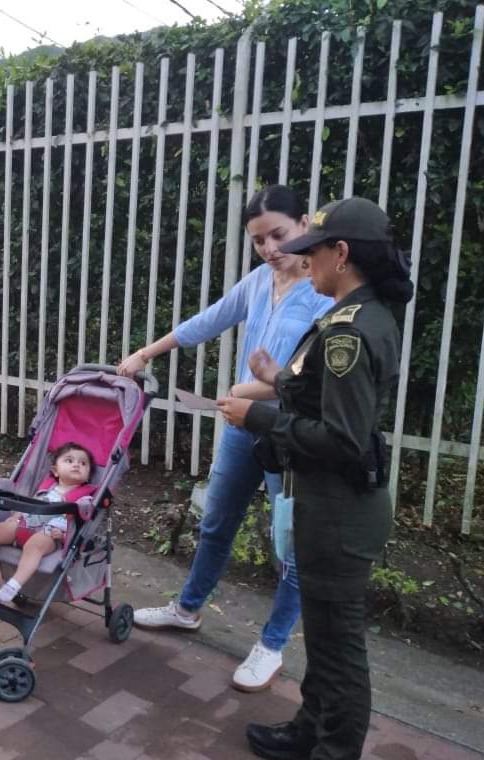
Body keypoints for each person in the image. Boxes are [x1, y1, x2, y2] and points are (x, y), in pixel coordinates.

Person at [217, 197, 412, 760]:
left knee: (339, 648)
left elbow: (343, 439)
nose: (303, 262)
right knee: (325, 641)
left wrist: (258, 417)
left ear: (341, 254)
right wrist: (277, 379)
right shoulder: (348, 316)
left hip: (339, 512)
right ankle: (309, 732)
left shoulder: (352, 330)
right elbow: (319, 391)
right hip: (326, 506)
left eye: (312, 252)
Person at [118, 185, 333, 691]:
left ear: (304, 223)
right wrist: (147, 353)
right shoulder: (260, 281)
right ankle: (188, 608)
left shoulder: (325, 293)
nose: (270, 249)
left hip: (292, 434)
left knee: (291, 547)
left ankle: (272, 645)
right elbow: (208, 321)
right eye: (259, 241)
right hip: (243, 427)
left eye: (278, 235)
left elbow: (308, 376)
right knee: (216, 521)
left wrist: (241, 389)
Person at [0, 442, 96, 604]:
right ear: (55, 470)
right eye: (69, 461)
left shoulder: (84, 498)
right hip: (24, 525)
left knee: (34, 546)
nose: (76, 465)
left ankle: (14, 584)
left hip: (49, 534)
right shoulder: (46, 488)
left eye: (83, 463)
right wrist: (15, 516)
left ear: (88, 475)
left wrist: (64, 535)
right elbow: (30, 504)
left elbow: (81, 522)